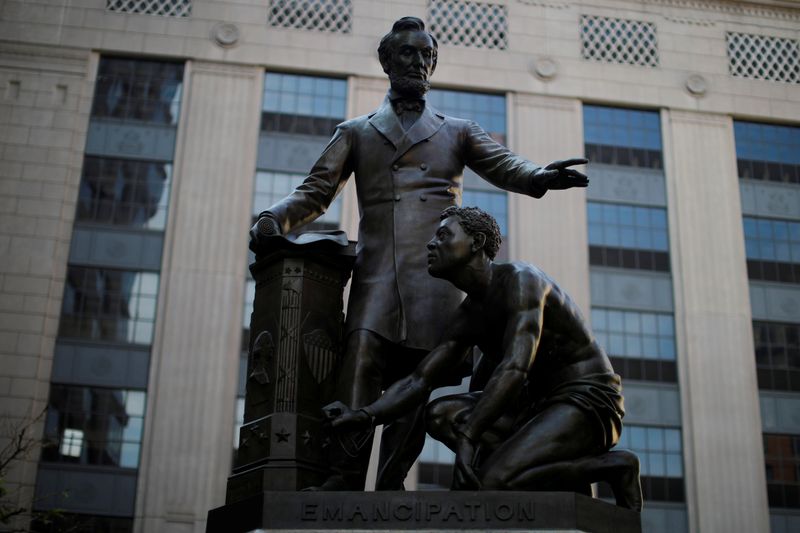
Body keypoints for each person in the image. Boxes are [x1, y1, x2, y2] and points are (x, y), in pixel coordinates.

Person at [249, 16, 589, 491]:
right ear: (387, 60)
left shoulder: (458, 130)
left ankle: (389, 485)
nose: (418, 62)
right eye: (407, 53)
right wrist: (273, 219)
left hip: (437, 279)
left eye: (426, 55)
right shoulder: (356, 131)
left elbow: (507, 166)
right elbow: (315, 191)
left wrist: (541, 177)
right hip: (377, 277)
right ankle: (343, 480)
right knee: (360, 365)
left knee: (417, 383)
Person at [326, 206, 642, 511]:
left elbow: (515, 368)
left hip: (586, 400)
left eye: (443, 236)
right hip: (533, 409)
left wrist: (469, 436)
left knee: (493, 482)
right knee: (439, 414)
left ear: (476, 242)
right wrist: (363, 415)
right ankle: (538, 467)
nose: (431, 243)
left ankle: (613, 466)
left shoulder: (522, 281)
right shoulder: (468, 314)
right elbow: (419, 381)